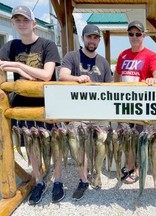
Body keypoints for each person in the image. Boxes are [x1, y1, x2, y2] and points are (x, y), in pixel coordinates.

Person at [0, 5, 61, 205]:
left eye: (25, 20)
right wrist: (29, 75)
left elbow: (46, 75)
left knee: (55, 144)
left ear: (34, 23)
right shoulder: (9, 46)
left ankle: (58, 180)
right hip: (22, 106)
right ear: (13, 24)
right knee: (32, 146)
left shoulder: (48, 45)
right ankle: (39, 181)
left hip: (48, 104)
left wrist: (17, 65)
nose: (22, 23)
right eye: (17, 20)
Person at [59, 24, 112, 200]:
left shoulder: (103, 62)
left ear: (98, 40)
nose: (92, 40)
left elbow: (110, 87)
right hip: (78, 112)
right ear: (83, 38)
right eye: (89, 37)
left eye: (95, 37)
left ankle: (96, 173)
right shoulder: (72, 56)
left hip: (99, 113)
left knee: (100, 144)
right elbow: (62, 75)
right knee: (78, 143)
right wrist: (77, 78)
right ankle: (83, 179)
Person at [114, 20, 156, 184]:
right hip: (125, 105)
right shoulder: (123, 54)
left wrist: (152, 80)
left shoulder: (151, 55)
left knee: (141, 139)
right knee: (128, 138)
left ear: (144, 35)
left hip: (143, 106)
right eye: (131, 34)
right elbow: (117, 75)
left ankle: (138, 169)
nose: (134, 37)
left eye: (138, 34)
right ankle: (129, 165)